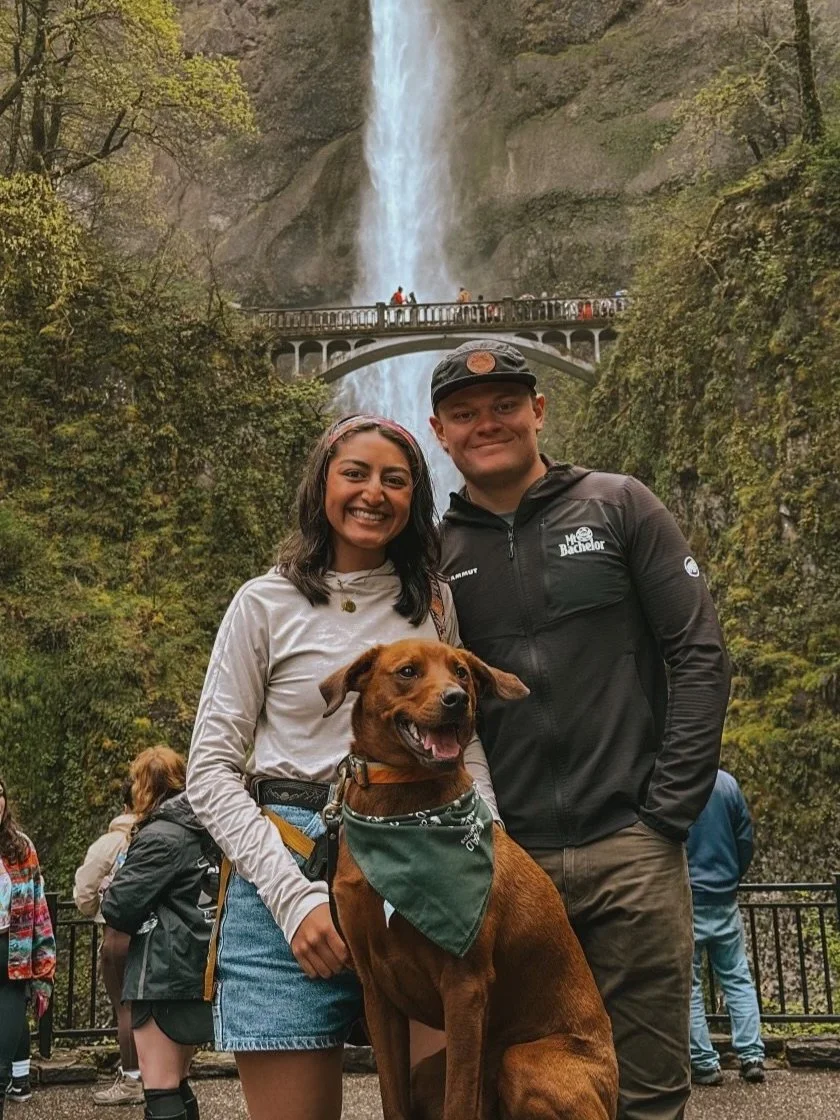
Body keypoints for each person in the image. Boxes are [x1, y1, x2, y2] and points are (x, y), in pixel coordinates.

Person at [428, 338, 731, 1120]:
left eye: (503, 406)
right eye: (465, 414)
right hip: (508, 865)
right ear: (438, 430)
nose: (485, 423)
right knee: (516, 1087)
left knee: (651, 1089)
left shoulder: (620, 504)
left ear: (539, 408)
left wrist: (668, 811)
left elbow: (698, 652)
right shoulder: (432, 556)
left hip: (630, 844)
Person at [186, 414, 499, 1120]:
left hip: (427, 853)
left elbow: (462, 740)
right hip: (285, 859)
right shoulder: (264, 602)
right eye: (354, 473)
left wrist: (492, 848)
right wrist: (293, 898)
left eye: (396, 480)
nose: (373, 493)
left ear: (415, 499)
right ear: (321, 484)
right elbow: (208, 769)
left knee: (440, 1107)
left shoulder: (432, 602)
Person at [101, 747, 216, 1120]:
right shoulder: (205, 827)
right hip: (198, 962)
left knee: (161, 1087)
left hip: (163, 970)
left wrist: (110, 888)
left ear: (144, 787)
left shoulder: (161, 836)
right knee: (178, 1081)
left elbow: (118, 907)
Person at [687, 769, 765, 1086]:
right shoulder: (727, 784)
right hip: (724, 897)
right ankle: (752, 1056)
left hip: (687, 896)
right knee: (737, 976)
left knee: (689, 987)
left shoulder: (675, 781)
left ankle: (705, 1064)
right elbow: (744, 838)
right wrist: (733, 876)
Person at [74, 779, 143, 1105]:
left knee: (125, 1007)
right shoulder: (158, 836)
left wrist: (95, 910)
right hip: (154, 932)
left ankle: (131, 1080)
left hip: (117, 933)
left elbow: (85, 889)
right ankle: (154, 1072)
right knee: (149, 1007)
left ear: (124, 807)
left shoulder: (108, 843)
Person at [0, 776, 56, 1120]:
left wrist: (44, 973)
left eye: (0, 793)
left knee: (1, 1065)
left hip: (12, 966)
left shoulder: (20, 848)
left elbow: (39, 914)